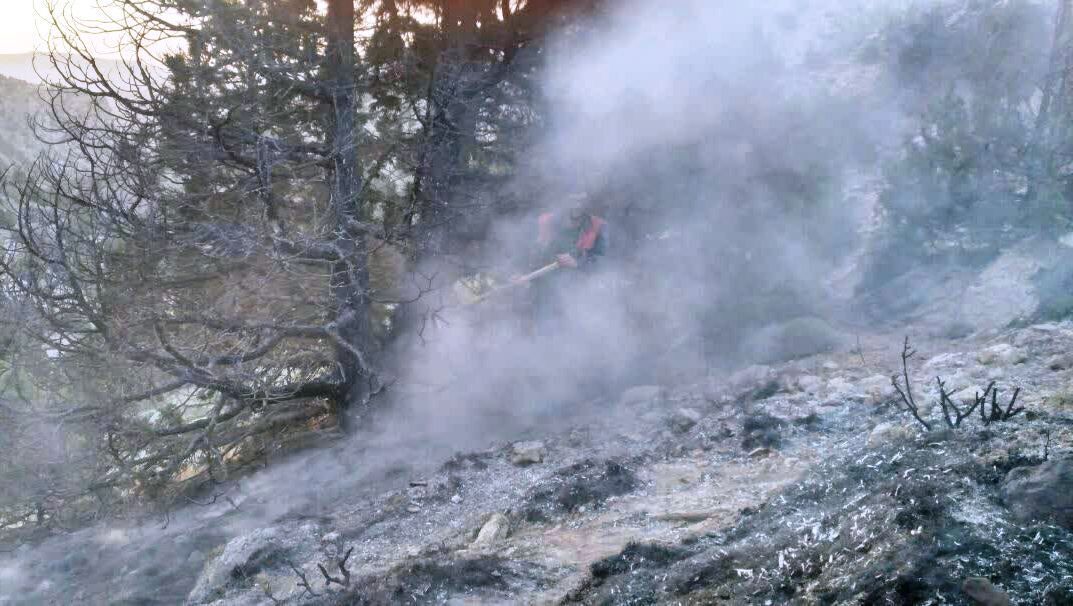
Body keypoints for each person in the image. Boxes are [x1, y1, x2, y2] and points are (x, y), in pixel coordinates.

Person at [516, 194, 609, 334]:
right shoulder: (545, 222)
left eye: (581, 200)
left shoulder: (597, 226)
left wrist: (578, 263)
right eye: (573, 199)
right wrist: (519, 272)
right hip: (544, 296)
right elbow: (525, 250)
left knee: (573, 340)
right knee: (546, 337)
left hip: (579, 296)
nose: (577, 204)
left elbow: (604, 262)